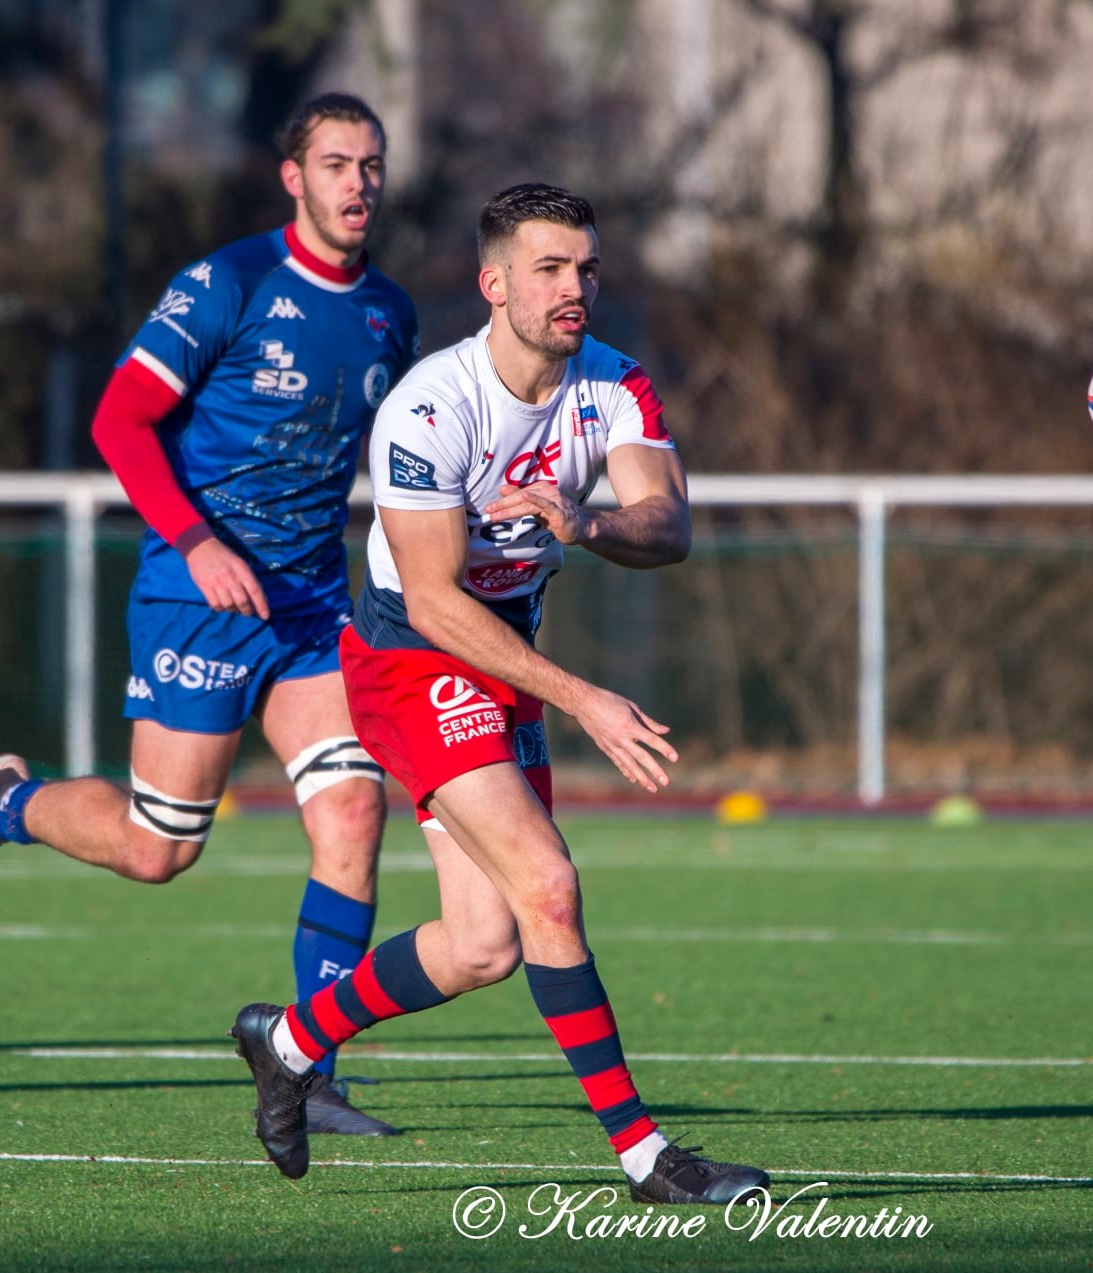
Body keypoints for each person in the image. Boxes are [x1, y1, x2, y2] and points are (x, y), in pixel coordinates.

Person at [227, 182, 770, 1204]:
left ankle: (290, 1040)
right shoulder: (429, 408)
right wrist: (585, 698)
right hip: (408, 659)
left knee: (484, 945)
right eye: (551, 269)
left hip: (502, 654)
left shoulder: (615, 387)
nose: (577, 288)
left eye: (589, 268)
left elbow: (671, 523)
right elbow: (431, 602)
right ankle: (647, 1157)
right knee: (550, 887)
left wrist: (589, 524)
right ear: (494, 283)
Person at [0, 92, 418, 1138]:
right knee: (158, 849)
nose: (357, 183)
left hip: (312, 606)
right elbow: (120, 417)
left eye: (370, 164)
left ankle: (307, 1063)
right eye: (335, 163)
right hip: (198, 597)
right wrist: (197, 541)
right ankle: (2, 805)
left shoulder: (391, 313)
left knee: (354, 812)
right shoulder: (227, 283)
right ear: (295, 177)